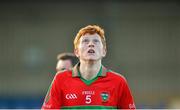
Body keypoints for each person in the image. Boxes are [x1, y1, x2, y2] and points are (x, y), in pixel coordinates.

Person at [42, 25, 136, 109]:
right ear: (76, 52)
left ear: (104, 51)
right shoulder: (60, 79)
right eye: (85, 41)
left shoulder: (119, 82)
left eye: (96, 41)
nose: (91, 44)